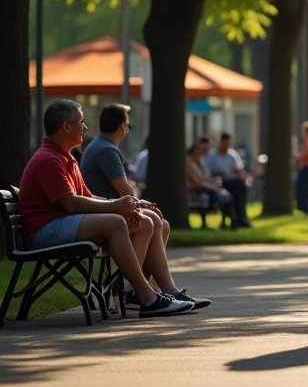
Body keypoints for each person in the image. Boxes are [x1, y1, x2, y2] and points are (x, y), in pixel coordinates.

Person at [18, 99, 203, 317]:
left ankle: (158, 292)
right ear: (66, 126)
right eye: (81, 121)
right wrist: (116, 206)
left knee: (147, 219)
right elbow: (71, 203)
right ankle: (146, 297)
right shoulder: (48, 159)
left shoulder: (65, 157)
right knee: (115, 223)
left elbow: (86, 196)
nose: (85, 127)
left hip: (61, 222)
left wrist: (132, 205)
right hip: (44, 230)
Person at [205, 132, 252, 228]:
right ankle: (241, 218)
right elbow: (207, 172)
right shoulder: (212, 156)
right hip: (218, 181)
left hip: (233, 182)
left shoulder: (233, 155)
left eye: (229, 144)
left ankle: (240, 217)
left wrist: (241, 175)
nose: (227, 146)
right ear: (221, 142)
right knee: (238, 186)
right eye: (225, 143)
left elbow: (238, 171)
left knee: (240, 186)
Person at [187, 140, 233, 227]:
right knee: (224, 195)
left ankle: (228, 222)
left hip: (204, 187)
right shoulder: (189, 162)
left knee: (226, 194)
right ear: (194, 150)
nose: (203, 153)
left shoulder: (197, 162)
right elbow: (197, 182)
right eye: (201, 151)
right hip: (198, 189)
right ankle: (233, 222)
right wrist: (214, 188)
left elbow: (206, 177)